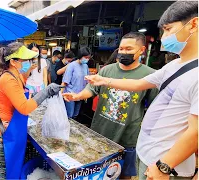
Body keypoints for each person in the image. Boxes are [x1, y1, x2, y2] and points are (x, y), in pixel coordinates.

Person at [83, 1, 198, 179]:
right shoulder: (175, 65)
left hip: (166, 164)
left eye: (168, 29)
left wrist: (165, 166)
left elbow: (195, 131)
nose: (164, 36)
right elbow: (138, 84)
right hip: (147, 152)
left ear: (193, 24)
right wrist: (103, 79)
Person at [63, 32, 159, 179]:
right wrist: (77, 96)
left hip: (128, 135)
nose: (123, 52)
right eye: (121, 49)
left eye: (129, 49)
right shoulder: (107, 70)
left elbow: (154, 108)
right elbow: (92, 89)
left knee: (124, 175)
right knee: (98, 171)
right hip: (101, 131)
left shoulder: (150, 76)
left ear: (142, 50)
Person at [0, 42, 62, 179]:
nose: (29, 62)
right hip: (1, 130)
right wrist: (46, 92)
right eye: (25, 60)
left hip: (10, 125)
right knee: (4, 169)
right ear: (14, 62)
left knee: (9, 166)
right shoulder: (8, 79)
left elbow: (23, 79)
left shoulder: (15, 74)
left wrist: (30, 71)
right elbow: (24, 108)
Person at [62, 47, 91, 119]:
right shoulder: (71, 65)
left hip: (80, 94)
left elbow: (87, 80)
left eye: (88, 58)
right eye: (85, 57)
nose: (87, 59)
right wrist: (61, 94)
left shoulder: (85, 66)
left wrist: (85, 94)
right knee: (70, 115)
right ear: (80, 56)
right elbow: (65, 82)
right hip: (70, 94)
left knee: (76, 114)